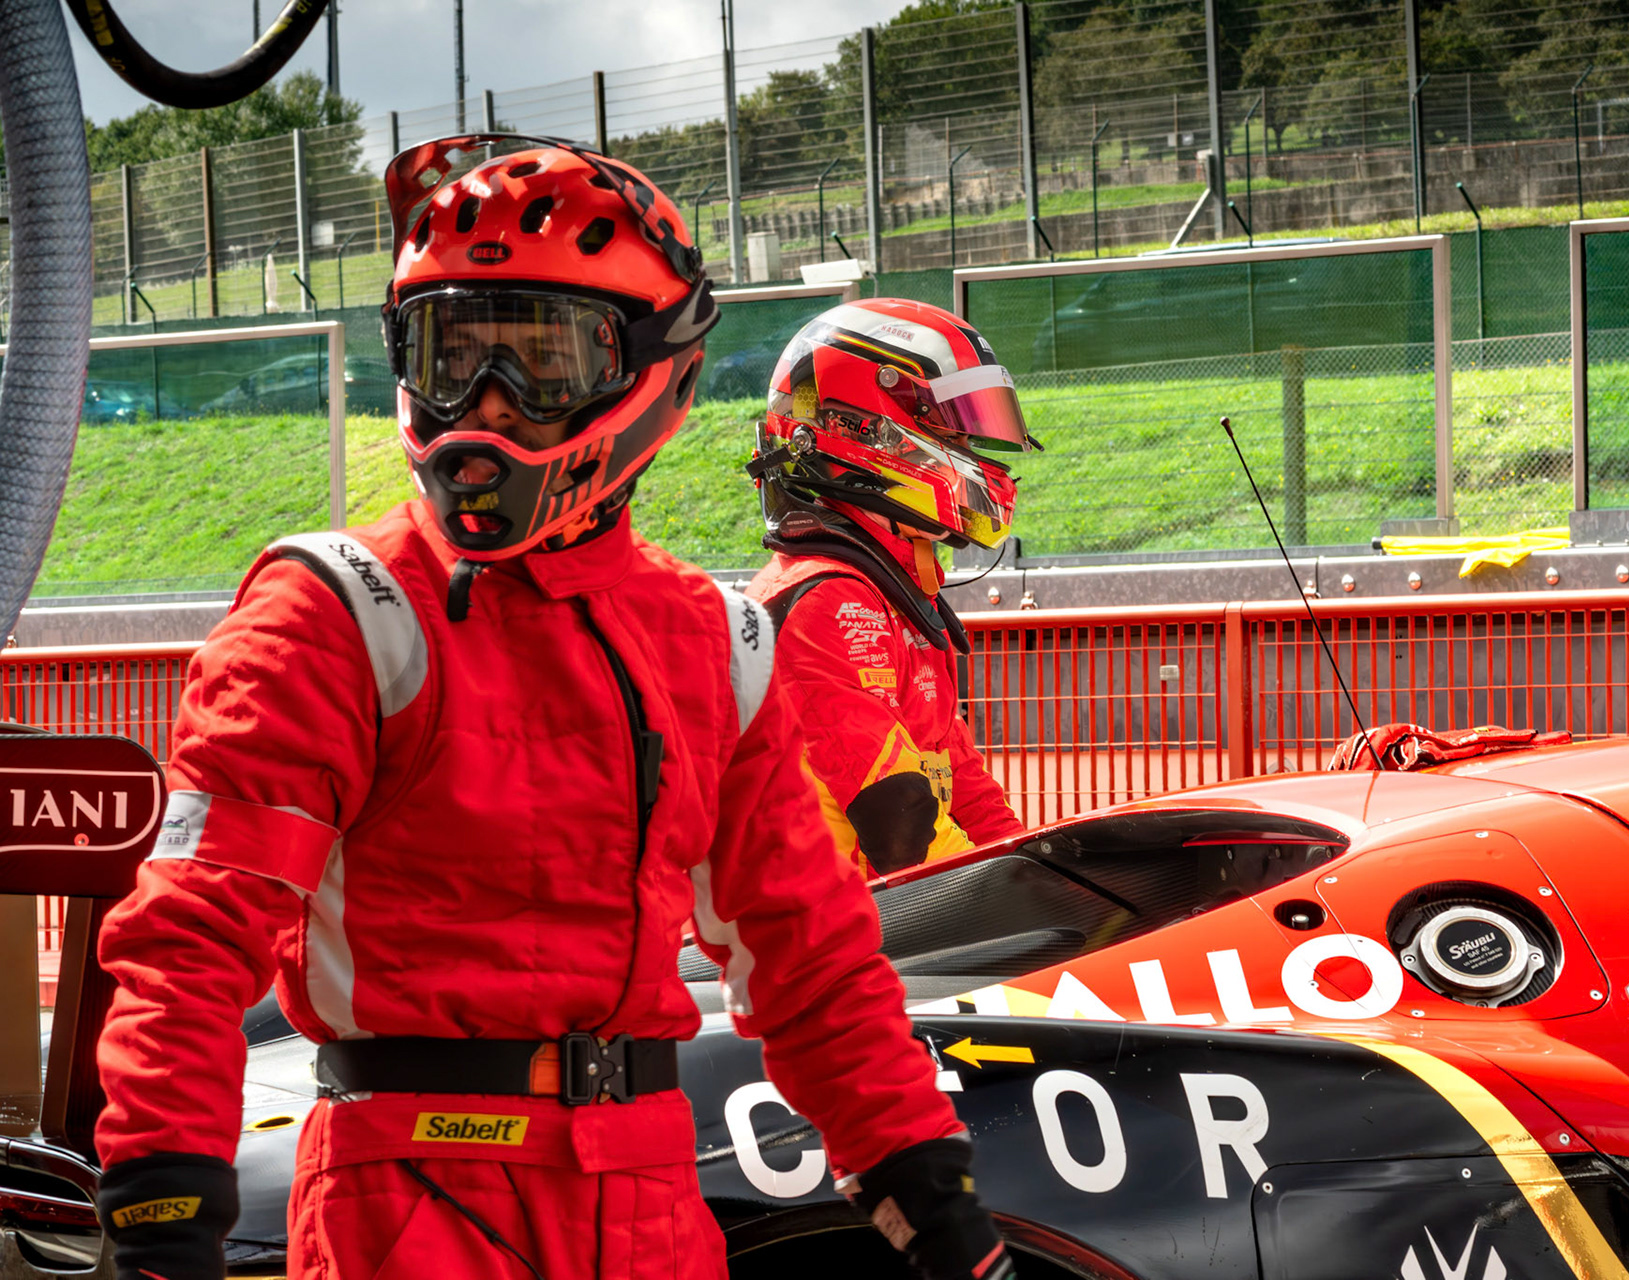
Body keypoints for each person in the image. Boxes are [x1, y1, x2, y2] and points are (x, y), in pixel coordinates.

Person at [90, 137, 1010, 1280]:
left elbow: (814, 962)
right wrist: (158, 1206)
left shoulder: (716, 638)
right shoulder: (338, 606)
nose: (488, 405)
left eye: (541, 358)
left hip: (649, 1196)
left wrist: (931, 1187)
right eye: (451, 354)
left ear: (653, 372)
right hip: (404, 1201)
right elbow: (191, 936)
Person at [746, 299, 1035, 876]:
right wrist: (1018, 895)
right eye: (958, 431)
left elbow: (964, 788)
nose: (976, 457)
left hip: (881, 927)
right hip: (823, 945)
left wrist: (1034, 870)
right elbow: (900, 826)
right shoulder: (825, 601)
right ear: (869, 430)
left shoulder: (892, 594)